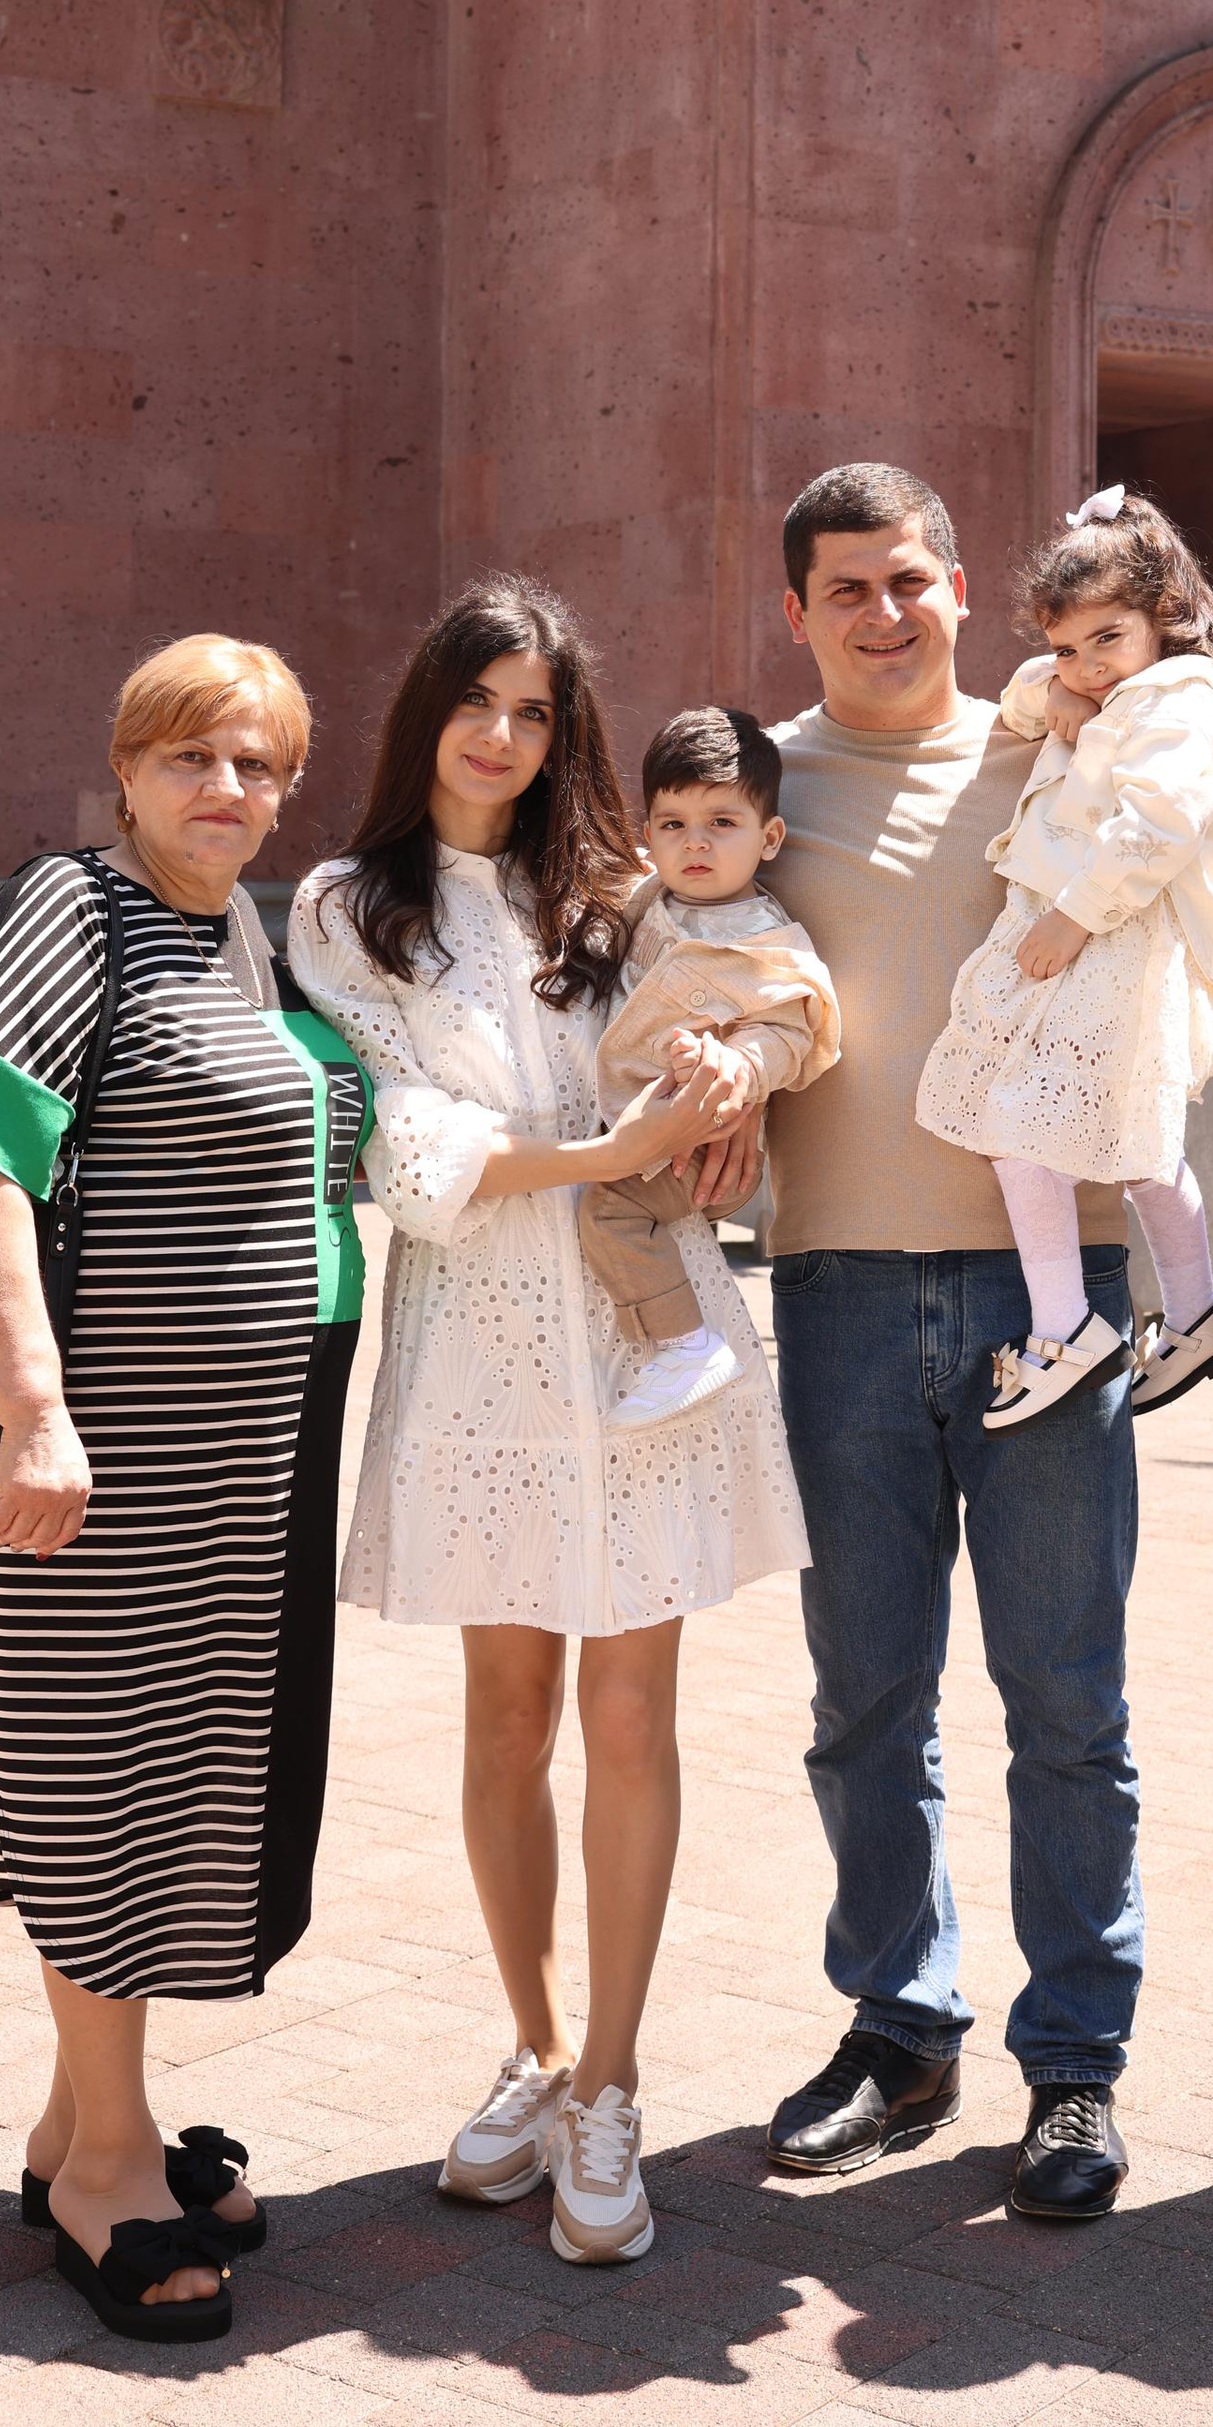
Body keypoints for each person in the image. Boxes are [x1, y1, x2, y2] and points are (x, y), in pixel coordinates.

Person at [287, 577, 809, 2270]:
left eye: (533, 709)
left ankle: (613, 2080)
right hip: (478, 1343)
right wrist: (592, 1149)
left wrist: (739, 1067)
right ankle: (528, 2041)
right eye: (477, 701)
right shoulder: (344, 908)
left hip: (643, 1329)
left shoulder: (616, 885)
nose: (503, 737)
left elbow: (753, 993)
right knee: (508, 1709)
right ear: (425, 706)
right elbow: (403, 1140)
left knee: (636, 1708)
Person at [0, 633, 369, 2349]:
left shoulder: (246, 930)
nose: (229, 789)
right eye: (195, 756)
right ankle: (109, 2160)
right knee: (103, 1769)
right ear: (127, 765)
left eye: (259, 762)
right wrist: (35, 1409)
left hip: (240, 1457)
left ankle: (74, 2123)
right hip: (96, 1457)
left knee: (178, 1769)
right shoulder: (73, 909)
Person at [757, 464, 1142, 2223]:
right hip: (835, 1289)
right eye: (846, 587)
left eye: (909, 578)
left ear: (965, 582)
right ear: (799, 611)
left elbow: (1207, 754)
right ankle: (901, 2029)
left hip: (1047, 1293)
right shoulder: (752, 784)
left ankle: (1074, 2069)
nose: (883, 612)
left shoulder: (1063, 740)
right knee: (866, 1701)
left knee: (1065, 1698)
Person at [915, 485, 1213, 1429]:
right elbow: (1023, 700)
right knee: (1132, 1142)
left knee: (1021, 1128)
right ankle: (1193, 1311)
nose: (1087, 665)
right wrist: (1065, 683)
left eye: (1106, 639)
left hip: (1107, 934)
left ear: (1166, 619)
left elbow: (1156, 828)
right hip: (1091, 933)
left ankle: (1066, 1326)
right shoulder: (1126, 693)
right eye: (1069, 645)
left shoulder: (1181, 706)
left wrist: (1070, 918)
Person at [588, 704, 842, 1432]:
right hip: (640, 1116)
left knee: (610, 1210)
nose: (694, 844)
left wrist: (737, 1065)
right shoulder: (646, 901)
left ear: (769, 839)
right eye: (673, 825)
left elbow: (791, 1027)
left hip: (701, 1141)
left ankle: (684, 1345)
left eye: (721, 824)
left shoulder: (766, 942)